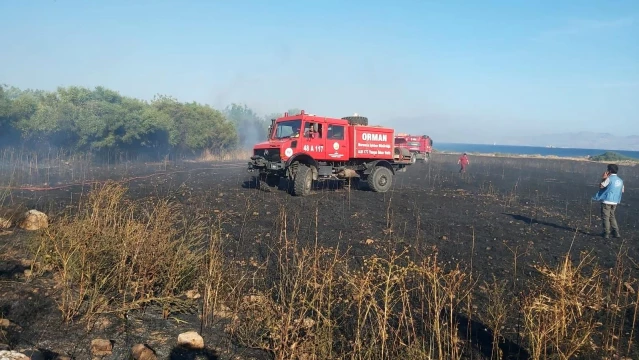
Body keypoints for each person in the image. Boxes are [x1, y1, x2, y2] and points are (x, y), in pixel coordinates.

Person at [592, 164, 624, 239]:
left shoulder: (609, 179)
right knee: (612, 216)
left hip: (607, 201)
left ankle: (606, 233)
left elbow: (601, 186)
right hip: (615, 201)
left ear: (609, 171)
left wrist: (603, 178)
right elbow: (622, 191)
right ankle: (616, 232)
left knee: (605, 217)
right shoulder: (620, 180)